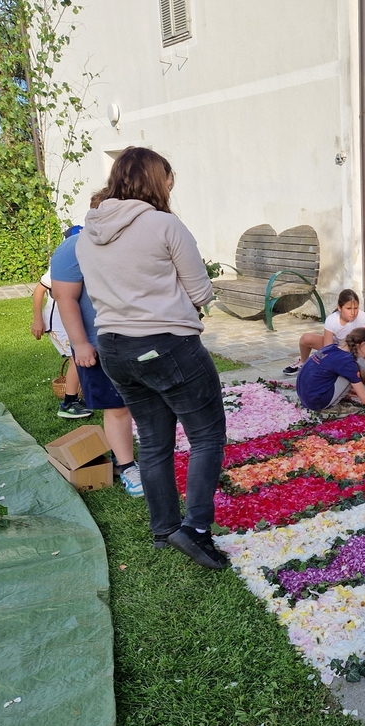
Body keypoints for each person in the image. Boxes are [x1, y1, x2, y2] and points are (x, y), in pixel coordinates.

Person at [75, 146, 228, 570]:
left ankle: (164, 530)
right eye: (168, 180)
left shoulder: (87, 232)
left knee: (154, 441)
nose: (170, 188)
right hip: (167, 345)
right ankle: (195, 531)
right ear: (156, 181)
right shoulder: (164, 224)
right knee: (207, 437)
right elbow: (201, 292)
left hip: (114, 347)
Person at [51, 220, 144, 499]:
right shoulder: (72, 248)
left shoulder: (139, 237)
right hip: (99, 343)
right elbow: (64, 298)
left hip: (142, 338)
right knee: (117, 406)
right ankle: (126, 466)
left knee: (145, 402)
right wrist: (81, 344)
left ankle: (134, 456)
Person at [296, 327, 365, 412]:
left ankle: (339, 395)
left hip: (304, 396)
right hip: (316, 403)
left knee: (353, 368)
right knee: (361, 365)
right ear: (362, 345)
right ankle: (331, 407)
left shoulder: (331, 347)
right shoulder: (348, 362)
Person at [31, 259, 90, 419]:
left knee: (81, 358)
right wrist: (37, 320)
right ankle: (69, 403)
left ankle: (82, 396)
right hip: (57, 324)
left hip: (73, 321)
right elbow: (39, 291)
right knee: (76, 359)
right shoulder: (64, 264)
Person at [282, 289, 365, 376]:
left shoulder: (362, 317)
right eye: (348, 308)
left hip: (355, 350)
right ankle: (303, 362)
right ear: (339, 307)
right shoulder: (331, 319)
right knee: (306, 338)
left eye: (356, 308)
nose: (353, 312)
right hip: (337, 347)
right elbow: (328, 348)